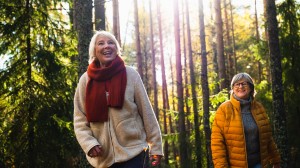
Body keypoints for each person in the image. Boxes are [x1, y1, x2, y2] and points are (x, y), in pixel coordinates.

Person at [73, 30, 163, 168]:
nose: (106, 46)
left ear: (116, 49)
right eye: (101, 43)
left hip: (134, 153)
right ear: (94, 51)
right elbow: (80, 119)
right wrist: (89, 144)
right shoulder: (85, 80)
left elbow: (147, 112)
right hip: (102, 158)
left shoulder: (131, 75)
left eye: (111, 43)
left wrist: (156, 146)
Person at [211, 72, 281, 168]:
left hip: (259, 164)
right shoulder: (224, 109)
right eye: (237, 84)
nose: (240, 86)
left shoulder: (259, 108)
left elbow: (267, 137)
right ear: (233, 88)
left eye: (244, 83)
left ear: (251, 87)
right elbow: (217, 143)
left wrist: (275, 160)